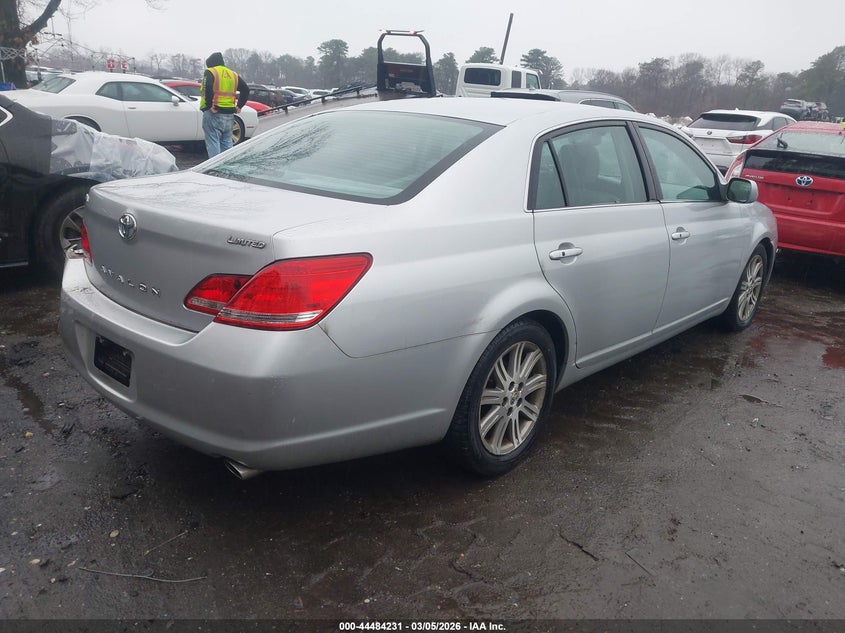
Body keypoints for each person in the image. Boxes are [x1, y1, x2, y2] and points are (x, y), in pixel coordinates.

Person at [200, 52, 250, 158]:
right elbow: (245, 89)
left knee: (213, 142)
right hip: (229, 115)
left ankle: (214, 169)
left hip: (214, 112)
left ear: (211, 64)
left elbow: (207, 86)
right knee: (227, 142)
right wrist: (239, 106)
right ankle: (227, 168)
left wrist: (209, 105)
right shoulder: (233, 74)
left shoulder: (211, 71)